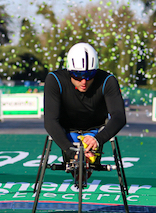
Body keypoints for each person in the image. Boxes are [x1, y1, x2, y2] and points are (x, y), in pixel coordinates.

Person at [44, 42, 126, 186]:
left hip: (96, 130)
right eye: (77, 75)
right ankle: (79, 163)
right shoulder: (54, 80)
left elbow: (119, 117)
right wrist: (70, 151)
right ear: (69, 71)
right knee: (75, 155)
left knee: (88, 151)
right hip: (67, 130)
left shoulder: (108, 81)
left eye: (90, 75)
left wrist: (98, 139)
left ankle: (87, 161)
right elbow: (50, 121)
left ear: (96, 71)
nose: (84, 81)